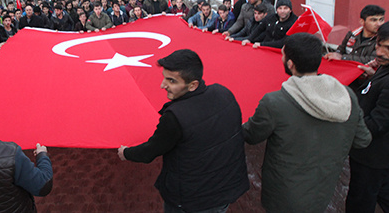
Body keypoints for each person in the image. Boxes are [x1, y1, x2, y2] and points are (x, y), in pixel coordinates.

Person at [243, 33, 371, 212]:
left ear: (290, 64)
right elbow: (362, 139)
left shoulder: (275, 102)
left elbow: (250, 134)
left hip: (283, 193)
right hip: (323, 188)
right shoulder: (347, 96)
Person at [118, 49, 249, 212]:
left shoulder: (175, 117)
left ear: (192, 85)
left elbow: (148, 152)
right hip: (226, 190)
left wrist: (126, 153)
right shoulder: (224, 93)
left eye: (171, 81)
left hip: (191, 201)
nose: (162, 85)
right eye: (164, 78)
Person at [346, 22, 389, 212]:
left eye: (386, 48)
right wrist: (373, 75)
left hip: (373, 157)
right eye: (378, 45)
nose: (378, 52)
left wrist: (346, 130)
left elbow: (378, 123)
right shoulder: (383, 68)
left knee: (361, 202)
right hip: (370, 155)